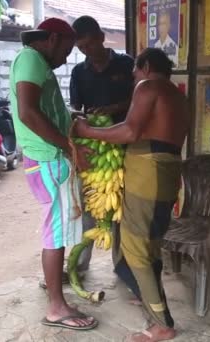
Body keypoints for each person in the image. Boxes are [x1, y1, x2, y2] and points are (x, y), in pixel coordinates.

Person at [74, 48, 190, 342]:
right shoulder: (178, 96)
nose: (134, 77)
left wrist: (87, 132)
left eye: (136, 71)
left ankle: (161, 324)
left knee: (136, 246)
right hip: (166, 171)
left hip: (147, 172)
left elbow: (129, 132)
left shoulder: (148, 86)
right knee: (148, 243)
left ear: (146, 66)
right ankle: (148, 295)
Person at [9, 17, 97, 331]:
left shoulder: (36, 63)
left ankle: (55, 293)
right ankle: (57, 308)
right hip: (47, 159)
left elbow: (43, 109)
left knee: (56, 232)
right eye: (66, 50)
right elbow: (28, 112)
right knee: (55, 234)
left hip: (46, 157)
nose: (65, 59)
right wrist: (70, 147)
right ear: (52, 39)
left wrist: (69, 118)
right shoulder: (31, 59)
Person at [69, 15, 136, 273]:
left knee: (121, 206)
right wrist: (85, 118)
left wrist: (113, 108)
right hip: (94, 147)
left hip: (124, 143)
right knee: (90, 203)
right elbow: (76, 109)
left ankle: (122, 268)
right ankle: (81, 265)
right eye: (81, 48)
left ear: (100, 37)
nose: (87, 51)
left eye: (89, 45)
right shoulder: (79, 72)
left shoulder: (126, 64)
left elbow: (137, 101)